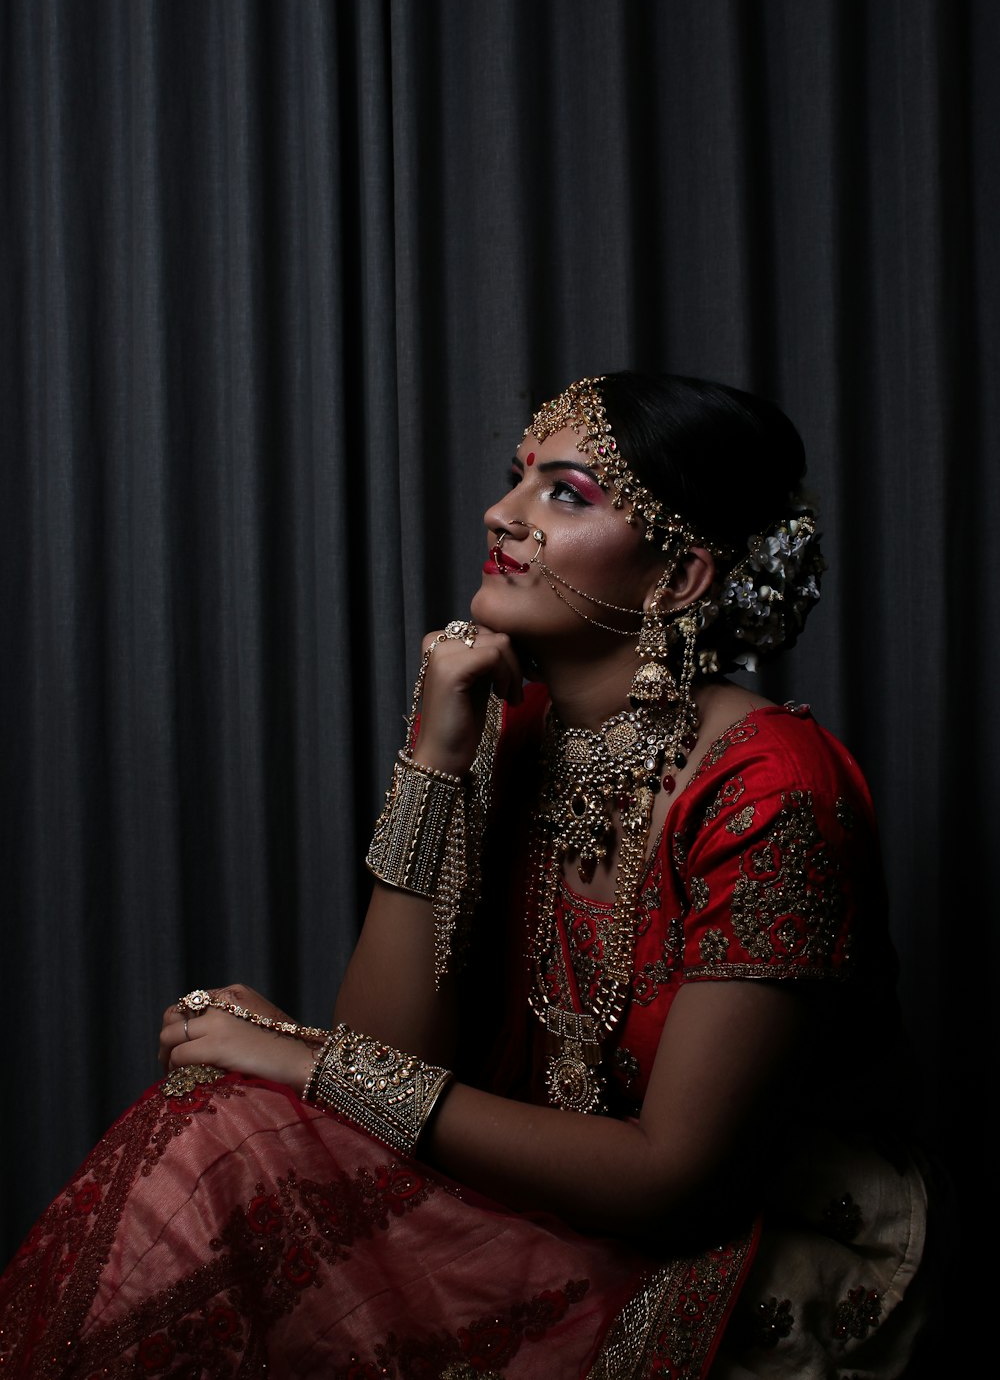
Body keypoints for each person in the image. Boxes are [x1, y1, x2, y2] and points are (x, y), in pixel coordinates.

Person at [0, 373, 929, 1378]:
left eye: (565, 492)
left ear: (681, 575)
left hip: (717, 1257)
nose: (502, 512)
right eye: (515, 479)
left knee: (235, 1121)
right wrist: (434, 762)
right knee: (215, 1108)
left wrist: (307, 1054)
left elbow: (675, 1180)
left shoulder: (771, 788)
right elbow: (388, 1058)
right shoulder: (515, 734)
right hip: (524, 1213)